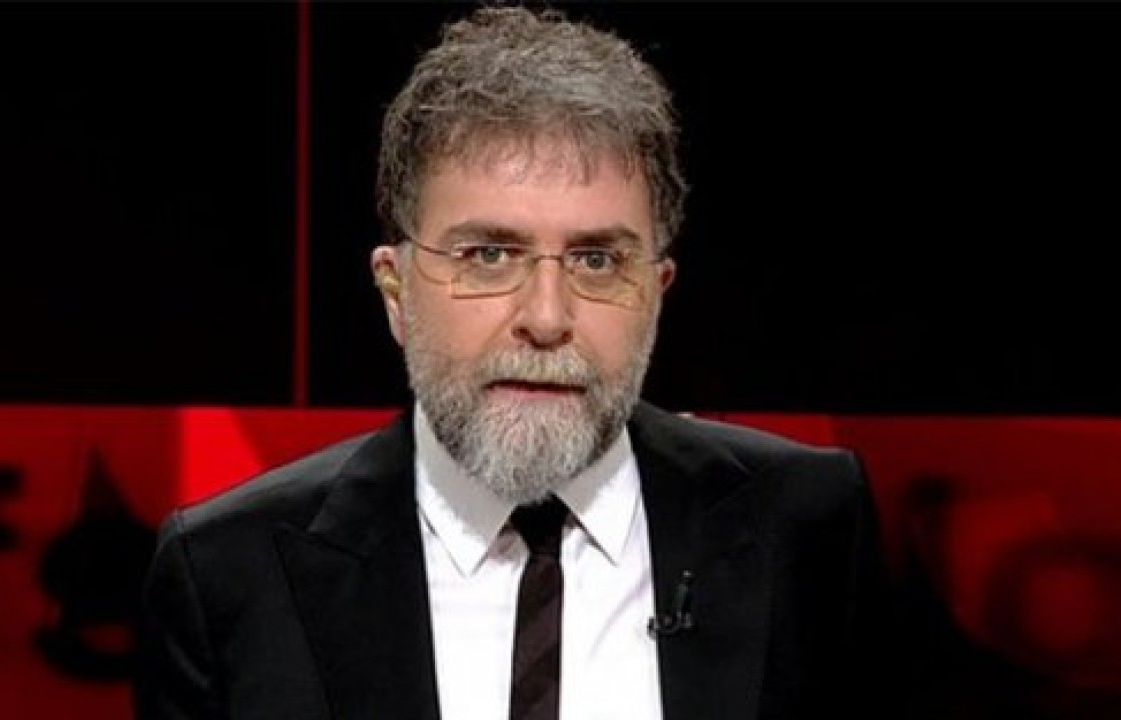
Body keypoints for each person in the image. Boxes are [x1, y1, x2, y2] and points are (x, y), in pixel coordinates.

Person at [134, 5, 903, 719]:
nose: (546, 317)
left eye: (597, 260)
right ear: (395, 290)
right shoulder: (229, 574)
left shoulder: (807, 528)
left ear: (656, 292)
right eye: (489, 254)